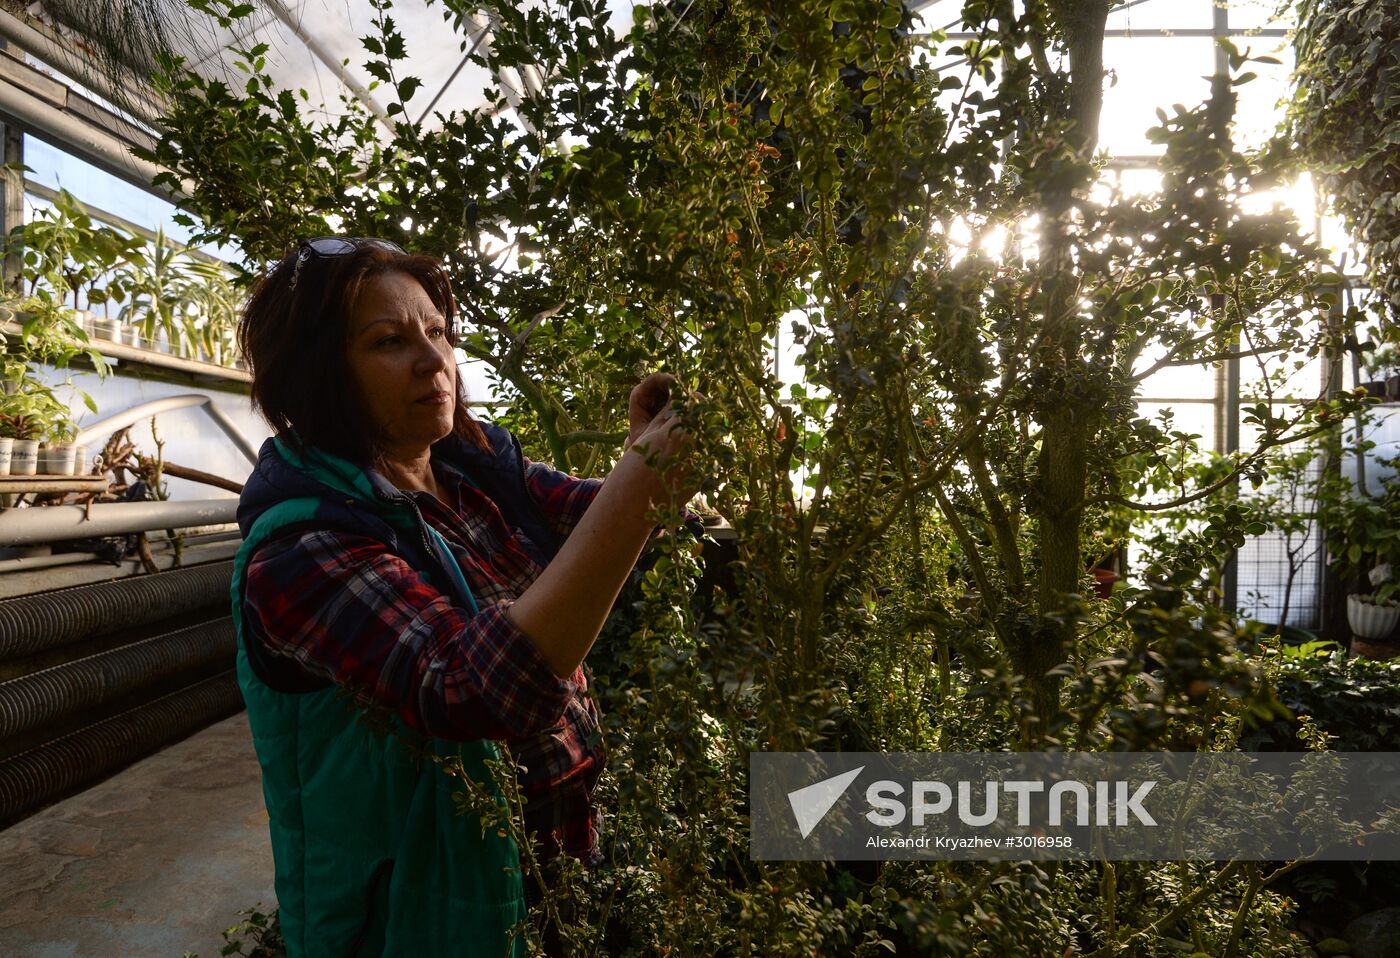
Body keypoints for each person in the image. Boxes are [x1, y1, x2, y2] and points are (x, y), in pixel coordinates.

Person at [229, 236, 695, 958]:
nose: (433, 361)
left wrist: (647, 464)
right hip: (429, 898)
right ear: (317, 374)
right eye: (389, 341)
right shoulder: (299, 549)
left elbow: (588, 515)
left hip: (560, 859)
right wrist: (643, 487)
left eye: (438, 333)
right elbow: (470, 690)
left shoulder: (469, 470)